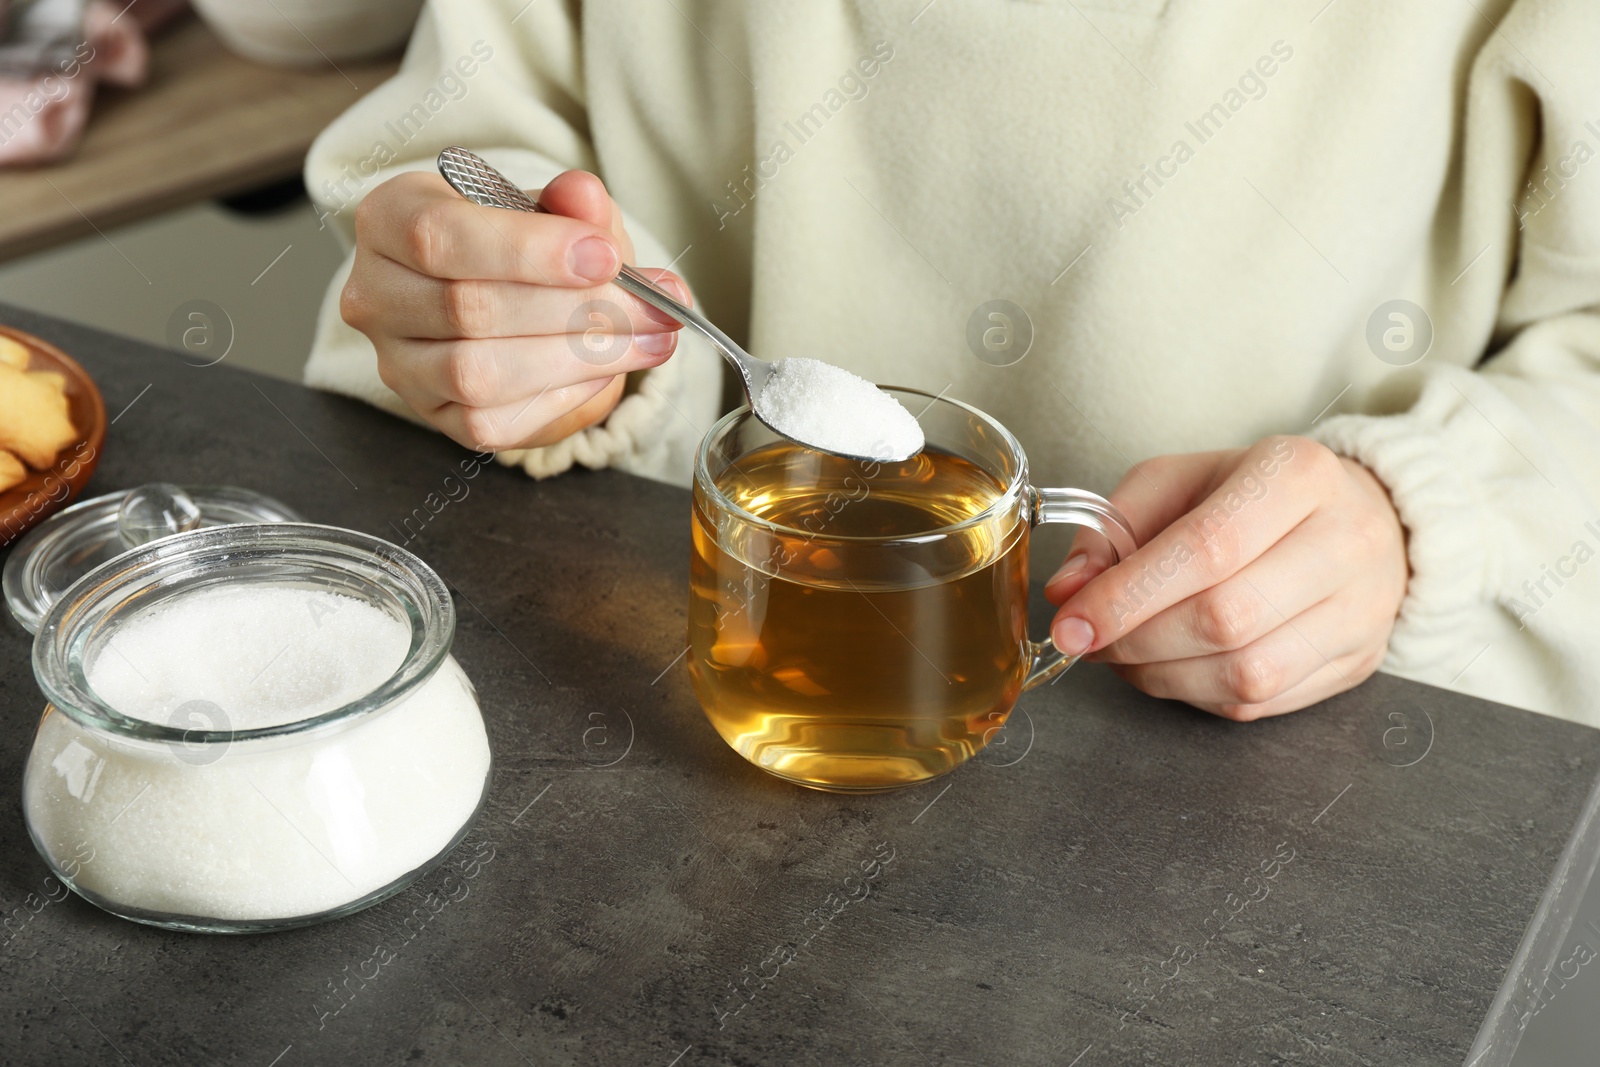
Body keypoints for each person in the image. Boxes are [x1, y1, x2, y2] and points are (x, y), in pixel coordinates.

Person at [303, 0, 1600, 726]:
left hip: (1286, 779)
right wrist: (537, 322)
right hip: (656, 713)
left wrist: (1422, 514)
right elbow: (472, 137)